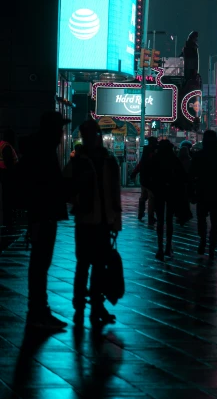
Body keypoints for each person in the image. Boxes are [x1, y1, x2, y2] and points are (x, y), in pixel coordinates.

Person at [64, 119, 122, 327]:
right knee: (84, 264)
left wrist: (115, 221)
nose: (91, 138)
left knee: (97, 265)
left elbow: (115, 193)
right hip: (87, 219)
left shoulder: (107, 160)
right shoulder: (80, 161)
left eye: (93, 134)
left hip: (103, 220)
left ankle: (96, 305)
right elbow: (67, 189)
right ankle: (81, 304)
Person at [19, 111, 69, 330]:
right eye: (59, 128)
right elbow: (48, 186)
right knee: (40, 264)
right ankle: (38, 311)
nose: (62, 133)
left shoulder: (39, 150)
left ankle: (38, 309)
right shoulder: (44, 153)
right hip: (44, 214)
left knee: (40, 264)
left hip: (40, 214)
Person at [189, 130, 217, 259]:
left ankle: (203, 239)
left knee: (201, 218)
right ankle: (212, 246)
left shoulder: (199, 155)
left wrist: (191, 193)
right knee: (215, 222)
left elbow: (191, 175)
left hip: (202, 191)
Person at [142, 139, 187, 262]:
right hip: (171, 193)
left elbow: (147, 175)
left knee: (160, 220)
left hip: (159, 193)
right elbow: (183, 177)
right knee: (169, 221)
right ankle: (167, 247)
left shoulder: (155, 159)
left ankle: (160, 248)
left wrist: (153, 188)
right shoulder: (174, 159)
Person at [132, 137, 157, 225]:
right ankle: (150, 216)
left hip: (143, 178)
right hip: (151, 179)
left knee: (143, 196)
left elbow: (141, 163)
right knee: (151, 198)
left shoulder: (146, 151)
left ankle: (140, 213)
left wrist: (134, 173)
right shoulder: (154, 152)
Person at [0, 129, 19, 228]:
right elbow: (9, 163)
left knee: (6, 198)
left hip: (3, 174)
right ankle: (9, 220)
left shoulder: (2, 144)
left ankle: (8, 218)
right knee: (8, 198)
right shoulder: (7, 146)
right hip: (7, 175)